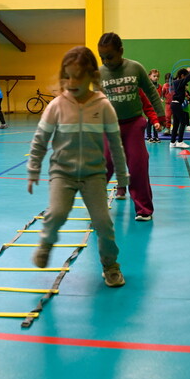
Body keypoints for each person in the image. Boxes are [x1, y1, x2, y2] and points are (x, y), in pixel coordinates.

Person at [27, 46, 128, 287]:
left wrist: (122, 175)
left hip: (94, 174)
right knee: (57, 213)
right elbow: (40, 140)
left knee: (104, 223)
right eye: (67, 76)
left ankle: (110, 265)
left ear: (92, 76)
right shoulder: (57, 106)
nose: (71, 82)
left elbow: (116, 143)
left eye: (77, 76)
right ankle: (46, 242)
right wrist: (33, 169)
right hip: (62, 173)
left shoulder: (103, 106)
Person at [97, 32, 165, 221]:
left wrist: (160, 116)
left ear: (121, 51)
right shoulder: (99, 73)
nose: (106, 61)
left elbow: (151, 92)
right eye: (102, 57)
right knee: (104, 163)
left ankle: (143, 209)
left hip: (134, 124)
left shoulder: (135, 68)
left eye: (110, 56)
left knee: (138, 163)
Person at [169, 64, 190, 149]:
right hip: (176, 104)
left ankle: (172, 142)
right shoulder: (179, 81)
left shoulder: (176, 81)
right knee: (183, 122)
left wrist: (188, 71)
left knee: (176, 123)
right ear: (182, 76)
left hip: (174, 104)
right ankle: (180, 141)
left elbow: (185, 78)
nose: (186, 79)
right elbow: (188, 78)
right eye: (185, 76)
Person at [145, 69, 161, 142]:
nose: (156, 78)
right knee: (150, 121)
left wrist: (160, 99)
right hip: (150, 106)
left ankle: (156, 136)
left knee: (156, 121)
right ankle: (148, 136)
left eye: (157, 76)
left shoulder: (159, 86)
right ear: (149, 76)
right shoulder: (148, 86)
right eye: (154, 76)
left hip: (156, 106)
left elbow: (159, 95)